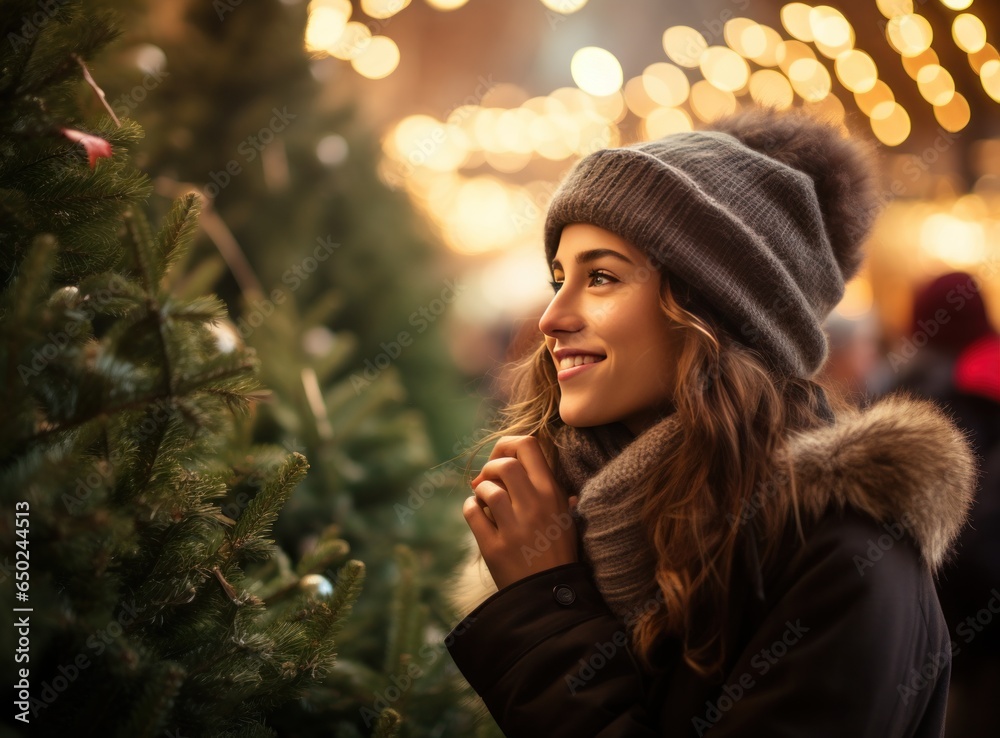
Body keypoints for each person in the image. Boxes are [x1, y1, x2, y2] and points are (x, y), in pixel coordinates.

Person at [442, 105, 979, 738]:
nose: (551, 316)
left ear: (710, 309)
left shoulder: (845, 560)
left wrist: (544, 609)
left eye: (603, 277)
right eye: (560, 277)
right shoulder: (575, 511)